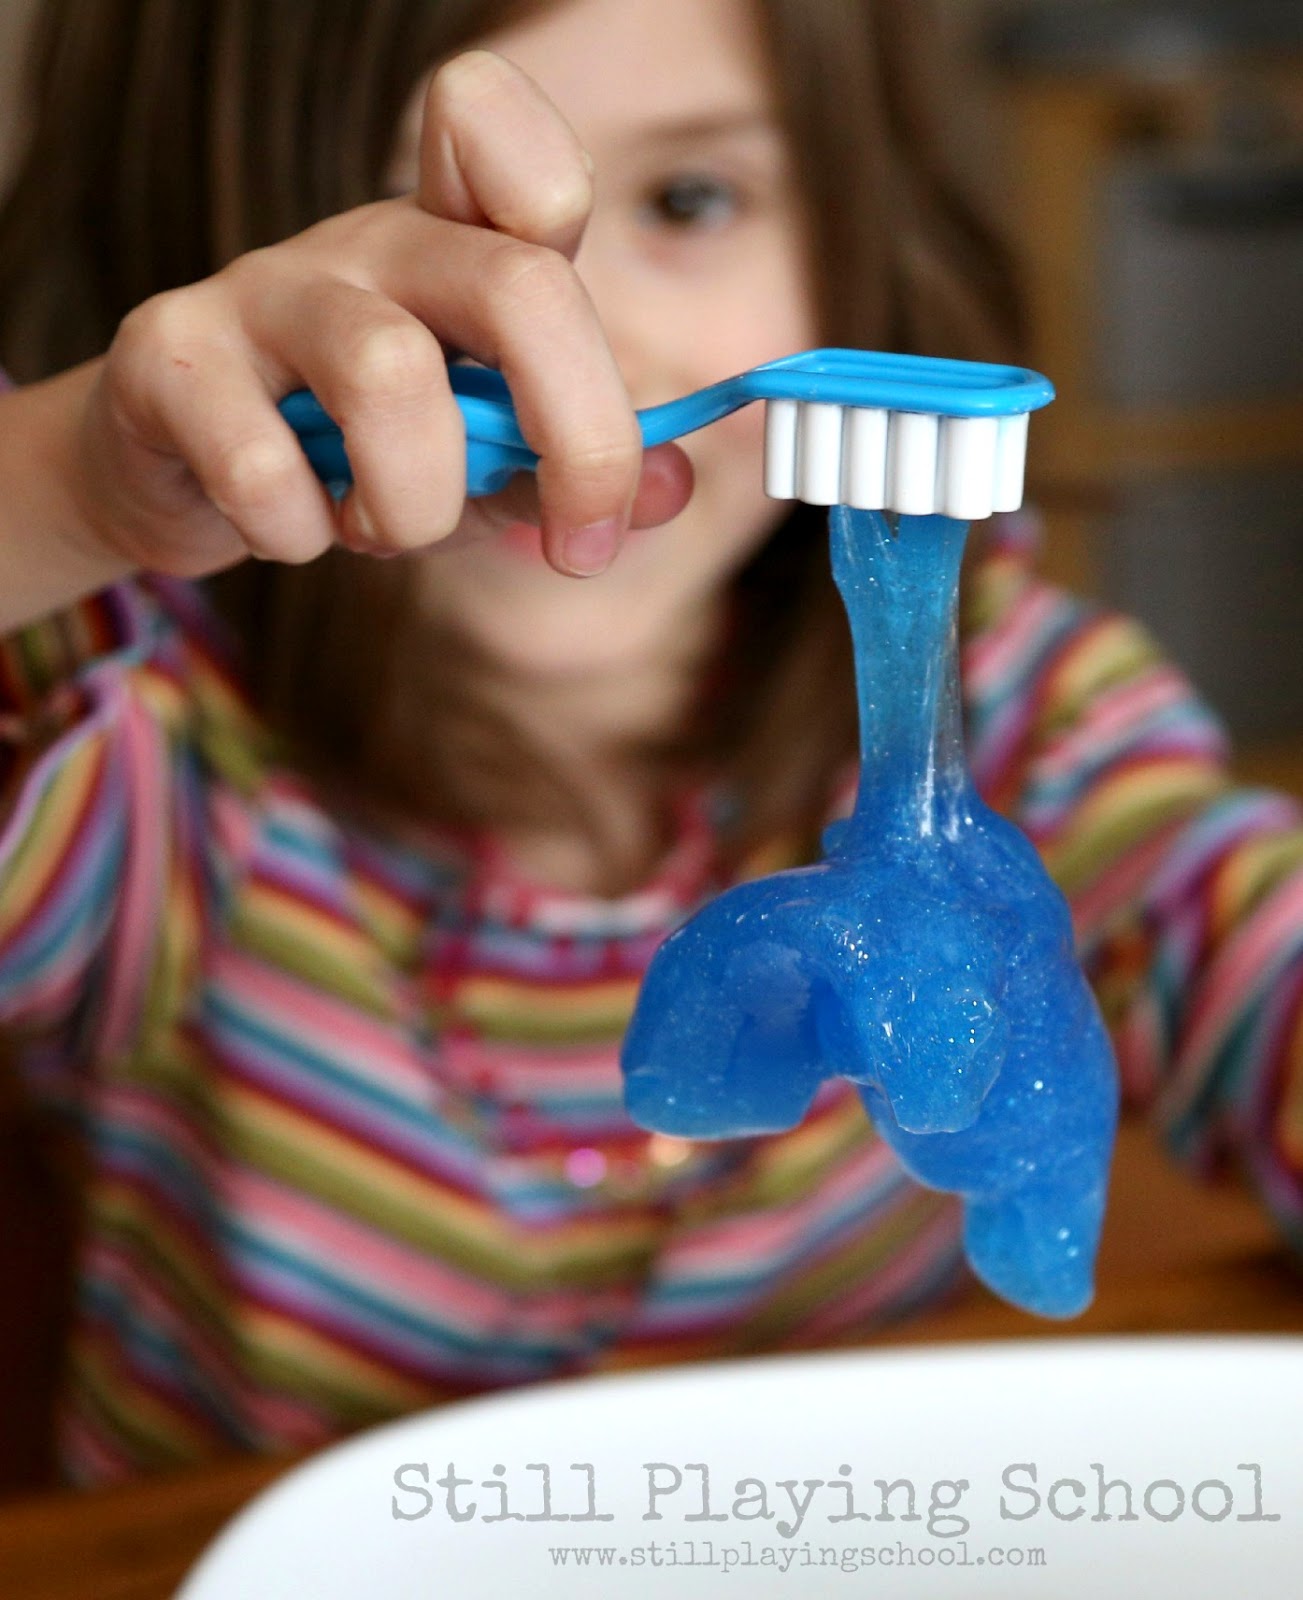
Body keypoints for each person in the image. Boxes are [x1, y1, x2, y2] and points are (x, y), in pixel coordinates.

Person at [0, 0, 1299, 1487]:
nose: (574, 350)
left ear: (855, 240)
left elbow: (1244, 933)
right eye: (414, 230)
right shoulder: (131, 756)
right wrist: (63, 491)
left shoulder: (1013, 711)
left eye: (692, 198)